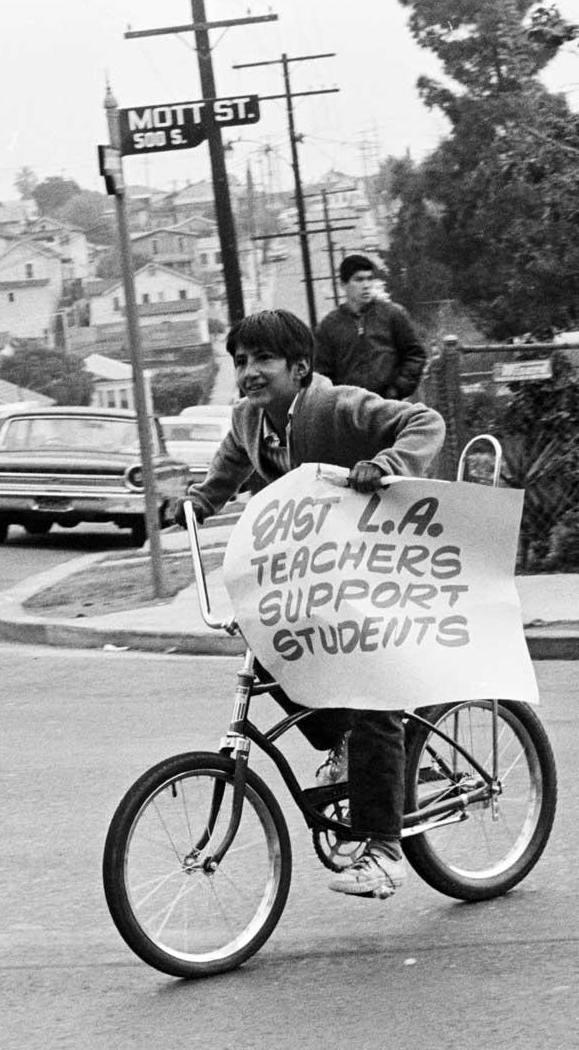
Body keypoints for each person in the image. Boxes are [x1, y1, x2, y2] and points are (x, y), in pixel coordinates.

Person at [174, 308, 445, 898]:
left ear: (300, 369)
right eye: (240, 361)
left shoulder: (336, 406)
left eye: (263, 360)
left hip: (378, 566)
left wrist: (388, 466)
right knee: (278, 655)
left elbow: (425, 422)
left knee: (374, 695)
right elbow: (227, 467)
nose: (248, 372)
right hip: (318, 578)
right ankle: (344, 745)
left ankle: (385, 849)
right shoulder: (249, 418)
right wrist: (199, 501)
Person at [314, 253, 428, 401]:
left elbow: (415, 354)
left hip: (391, 407)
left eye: (369, 278)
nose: (366, 285)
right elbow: (322, 374)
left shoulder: (392, 314)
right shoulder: (329, 326)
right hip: (350, 412)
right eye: (359, 280)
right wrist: (338, 400)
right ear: (343, 284)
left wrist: (398, 388)